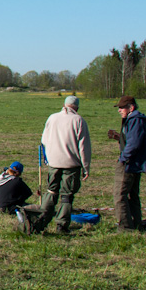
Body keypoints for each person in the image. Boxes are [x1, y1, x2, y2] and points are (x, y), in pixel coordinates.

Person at [33, 95, 92, 233]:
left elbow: (44, 140)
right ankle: (62, 224)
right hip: (71, 165)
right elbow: (84, 147)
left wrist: (48, 158)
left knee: (51, 191)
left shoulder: (52, 118)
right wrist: (86, 167)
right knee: (67, 195)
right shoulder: (78, 120)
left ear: (64, 105)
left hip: (53, 163)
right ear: (77, 107)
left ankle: (40, 221)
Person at [108, 95, 146, 231]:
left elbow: (134, 144)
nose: (119, 110)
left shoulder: (135, 120)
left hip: (129, 164)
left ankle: (126, 227)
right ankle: (136, 224)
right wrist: (119, 138)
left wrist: (123, 158)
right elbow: (132, 139)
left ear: (131, 108)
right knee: (132, 195)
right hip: (134, 163)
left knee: (120, 195)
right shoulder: (135, 120)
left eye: (122, 108)